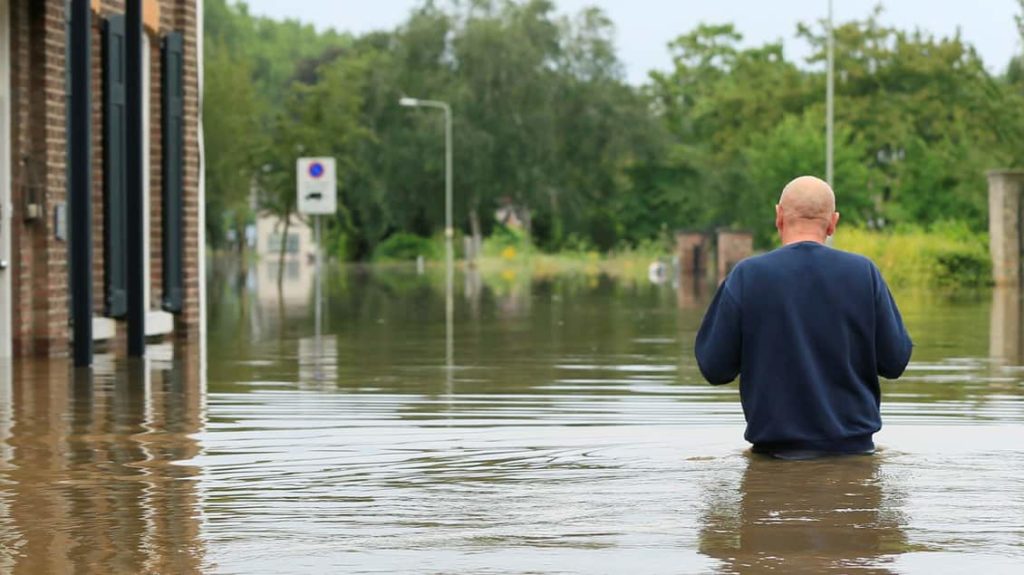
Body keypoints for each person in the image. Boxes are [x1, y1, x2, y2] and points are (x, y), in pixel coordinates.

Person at [695, 176, 912, 459]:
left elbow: (714, 368)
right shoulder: (864, 274)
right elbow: (894, 361)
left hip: (773, 460)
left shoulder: (747, 276)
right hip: (855, 455)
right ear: (833, 222)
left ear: (779, 217)